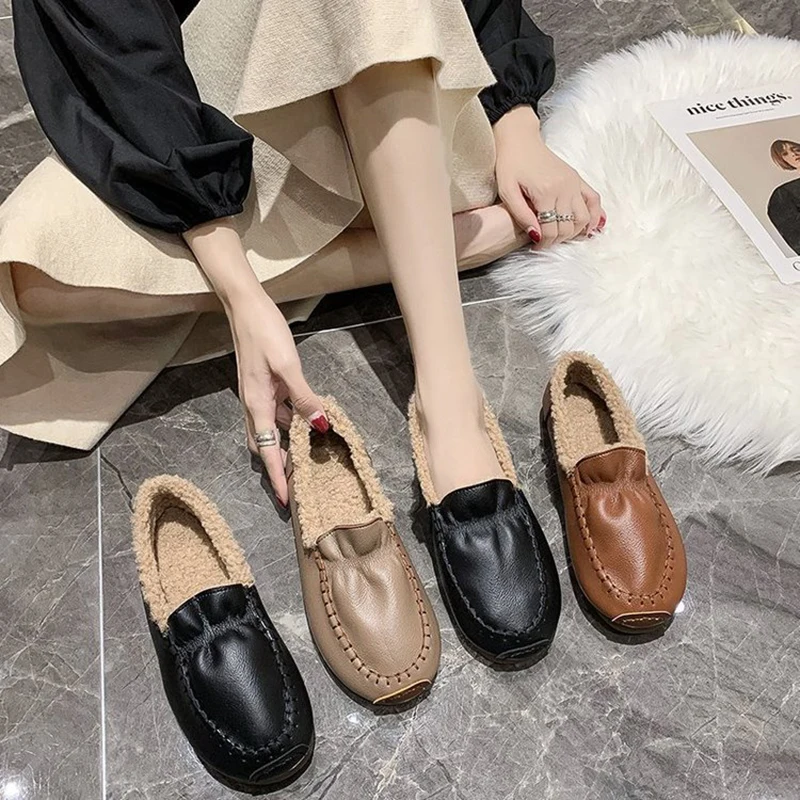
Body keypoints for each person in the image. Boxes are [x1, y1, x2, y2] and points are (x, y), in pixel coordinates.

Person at [4, 0, 604, 509]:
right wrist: (240, 293)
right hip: (220, 117)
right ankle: (445, 243)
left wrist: (515, 123)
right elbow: (122, 50)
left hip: (403, 79)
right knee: (33, 272)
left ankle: (450, 408)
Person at [767, 138, 800, 255]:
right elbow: (795, 238)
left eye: (795, 148)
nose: (793, 154)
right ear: (783, 161)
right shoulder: (783, 194)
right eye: (785, 153)